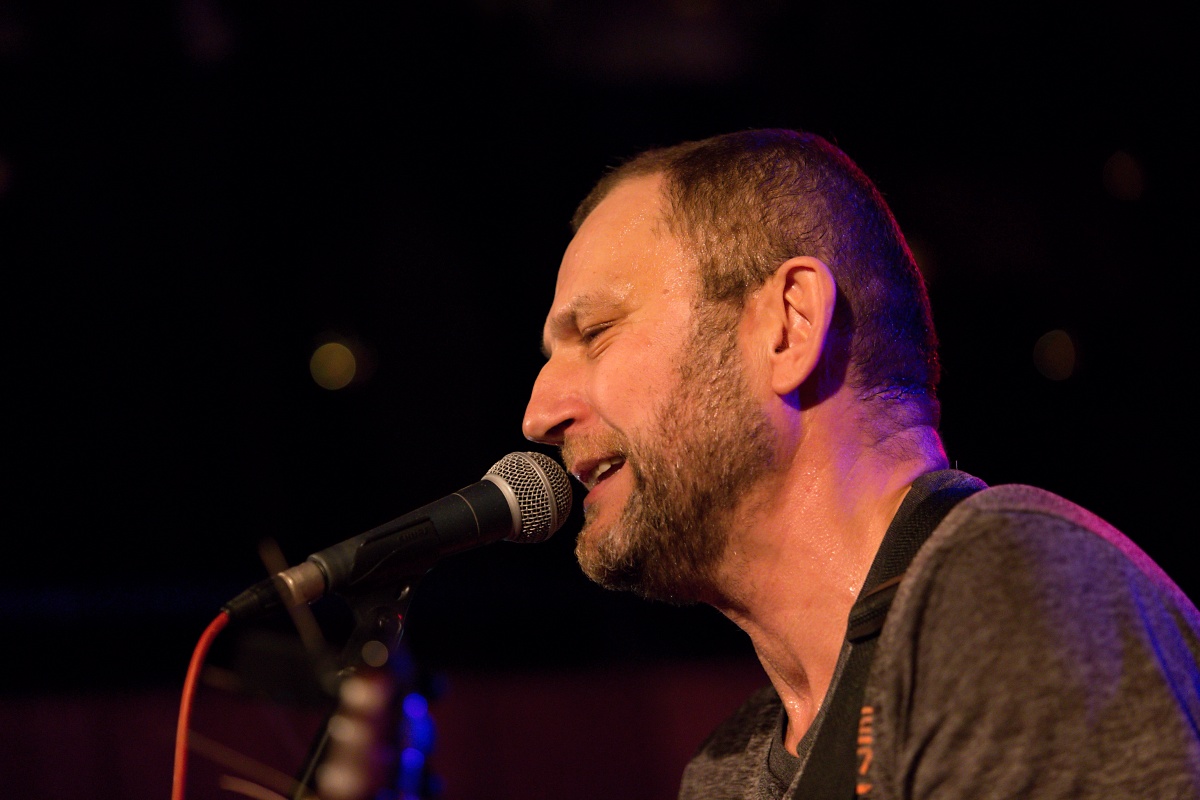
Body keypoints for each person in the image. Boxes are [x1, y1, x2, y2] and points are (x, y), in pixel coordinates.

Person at [520, 128, 1200, 799]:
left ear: (789, 326)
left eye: (596, 333)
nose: (538, 415)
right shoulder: (724, 773)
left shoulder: (1011, 585)